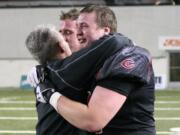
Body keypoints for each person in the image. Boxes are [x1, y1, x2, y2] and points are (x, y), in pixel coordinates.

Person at [29, 5, 156, 135]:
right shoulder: (90, 63)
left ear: (106, 31)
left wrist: (49, 94)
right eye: (77, 26)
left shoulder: (130, 56)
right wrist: (44, 68)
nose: (78, 32)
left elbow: (93, 121)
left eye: (83, 26)